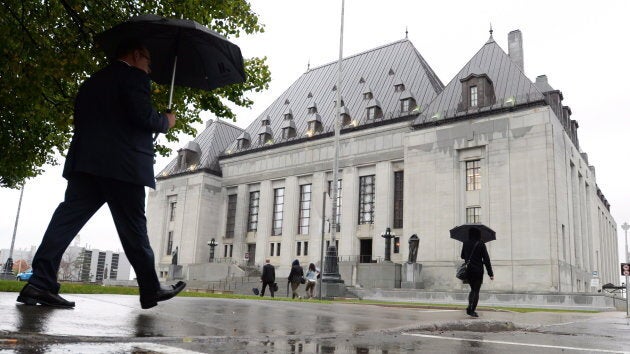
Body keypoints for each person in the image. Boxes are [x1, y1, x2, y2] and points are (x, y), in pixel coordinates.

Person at [16, 39, 185, 310]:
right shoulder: (134, 78)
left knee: (65, 222)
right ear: (137, 52)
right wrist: (165, 121)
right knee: (134, 229)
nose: (149, 68)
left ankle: (39, 283)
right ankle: (151, 288)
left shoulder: (92, 82)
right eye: (148, 61)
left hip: (86, 164)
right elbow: (143, 117)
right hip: (123, 168)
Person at [460, 227, 494, 317]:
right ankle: (471, 310)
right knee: (476, 290)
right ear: (478, 234)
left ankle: (470, 307)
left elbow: (462, 256)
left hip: (469, 270)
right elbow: (486, 259)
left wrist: (468, 256)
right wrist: (490, 273)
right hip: (478, 270)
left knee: (472, 289)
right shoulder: (481, 243)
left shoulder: (465, 243)